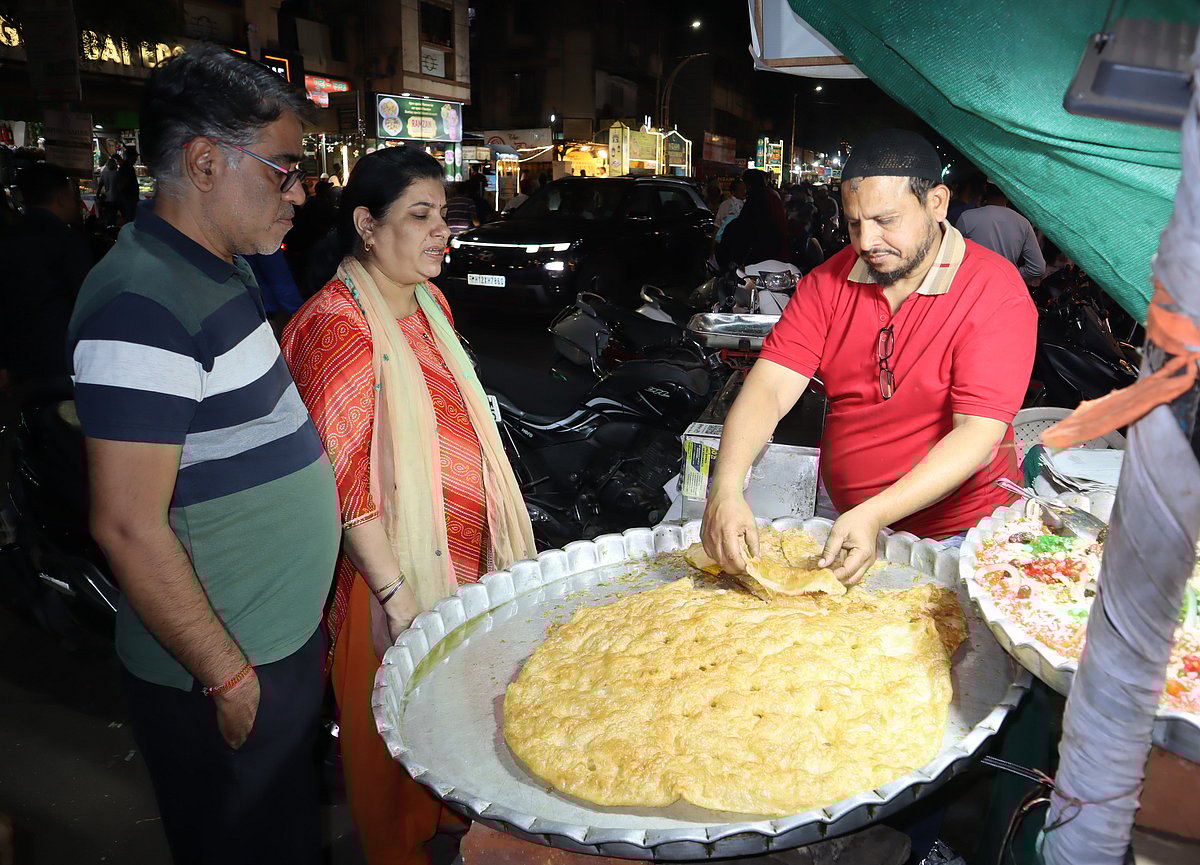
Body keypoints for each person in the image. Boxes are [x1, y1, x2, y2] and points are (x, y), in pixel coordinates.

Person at [66, 45, 339, 865]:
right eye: (284, 169)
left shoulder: (220, 269)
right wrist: (229, 677)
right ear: (205, 161)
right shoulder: (141, 303)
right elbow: (126, 526)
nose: (299, 192)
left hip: (274, 642)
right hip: (220, 669)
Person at [280, 146, 535, 865]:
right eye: (419, 216)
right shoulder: (339, 324)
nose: (440, 233)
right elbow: (342, 480)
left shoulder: (429, 303)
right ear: (366, 224)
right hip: (382, 575)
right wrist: (394, 592)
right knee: (386, 726)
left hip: (457, 554)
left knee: (448, 711)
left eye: (443, 217)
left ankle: (437, 815)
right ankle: (395, 847)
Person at [703, 128, 1036, 588]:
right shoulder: (826, 283)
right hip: (848, 518)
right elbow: (769, 388)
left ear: (937, 203)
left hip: (958, 534)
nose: (867, 240)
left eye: (886, 220)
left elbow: (976, 434)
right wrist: (724, 488)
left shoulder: (994, 290)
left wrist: (876, 513)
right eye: (855, 223)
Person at [0, 162, 93, 387]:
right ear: (62, 196)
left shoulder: (8, 238)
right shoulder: (67, 242)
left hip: (19, 361)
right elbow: (88, 301)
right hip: (63, 359)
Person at [956, 182, 1046, 284]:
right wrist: (1011, 276)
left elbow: (953, 256)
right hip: (1004, 290)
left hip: (971, 283)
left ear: (986, 189)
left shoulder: (967, 217)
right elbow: (1038, 268)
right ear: (1008, 194)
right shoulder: (1023, 223)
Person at [713, 177, 746, 243]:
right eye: (741, 190)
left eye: (745, 189)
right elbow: (717, 226)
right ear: (733, 192)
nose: (744, 192)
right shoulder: (726, 205)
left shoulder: (747, 204)